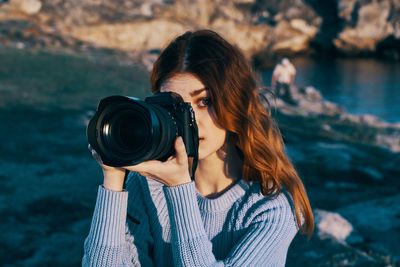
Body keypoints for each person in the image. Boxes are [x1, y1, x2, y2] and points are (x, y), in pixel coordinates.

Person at [82, 30, 313, 266]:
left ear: (235, 102)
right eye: (175, 106)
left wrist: (179, 188)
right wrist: (113, 178)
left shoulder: (269, 208)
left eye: (204, 101)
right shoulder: (147, 185)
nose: (190, 121)